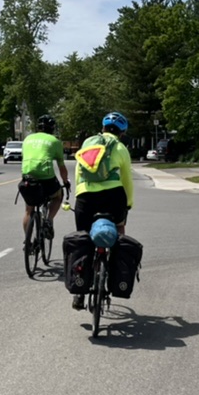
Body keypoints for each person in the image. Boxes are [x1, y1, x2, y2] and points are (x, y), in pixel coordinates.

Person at [70, 111, 134, 309]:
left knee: (84, 238)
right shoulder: (121, 148)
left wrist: (79, 195)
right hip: (113, 196)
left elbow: (79, 171)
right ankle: (116, 276)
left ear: (103, 128)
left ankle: (79, 291)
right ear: (122, 133)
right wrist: (128, 203)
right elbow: (126, 180)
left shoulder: (89, 142)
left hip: (85, 197)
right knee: (119, 233)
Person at [18, 114, 70, 240]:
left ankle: (28, 242)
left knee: (28, 211)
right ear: (52, 128)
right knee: (58, 196)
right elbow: (61, 167)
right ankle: (48, 220)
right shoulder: (55, 141)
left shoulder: (27, 139)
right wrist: (65, 181)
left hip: (27, 177)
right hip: (46, 179)